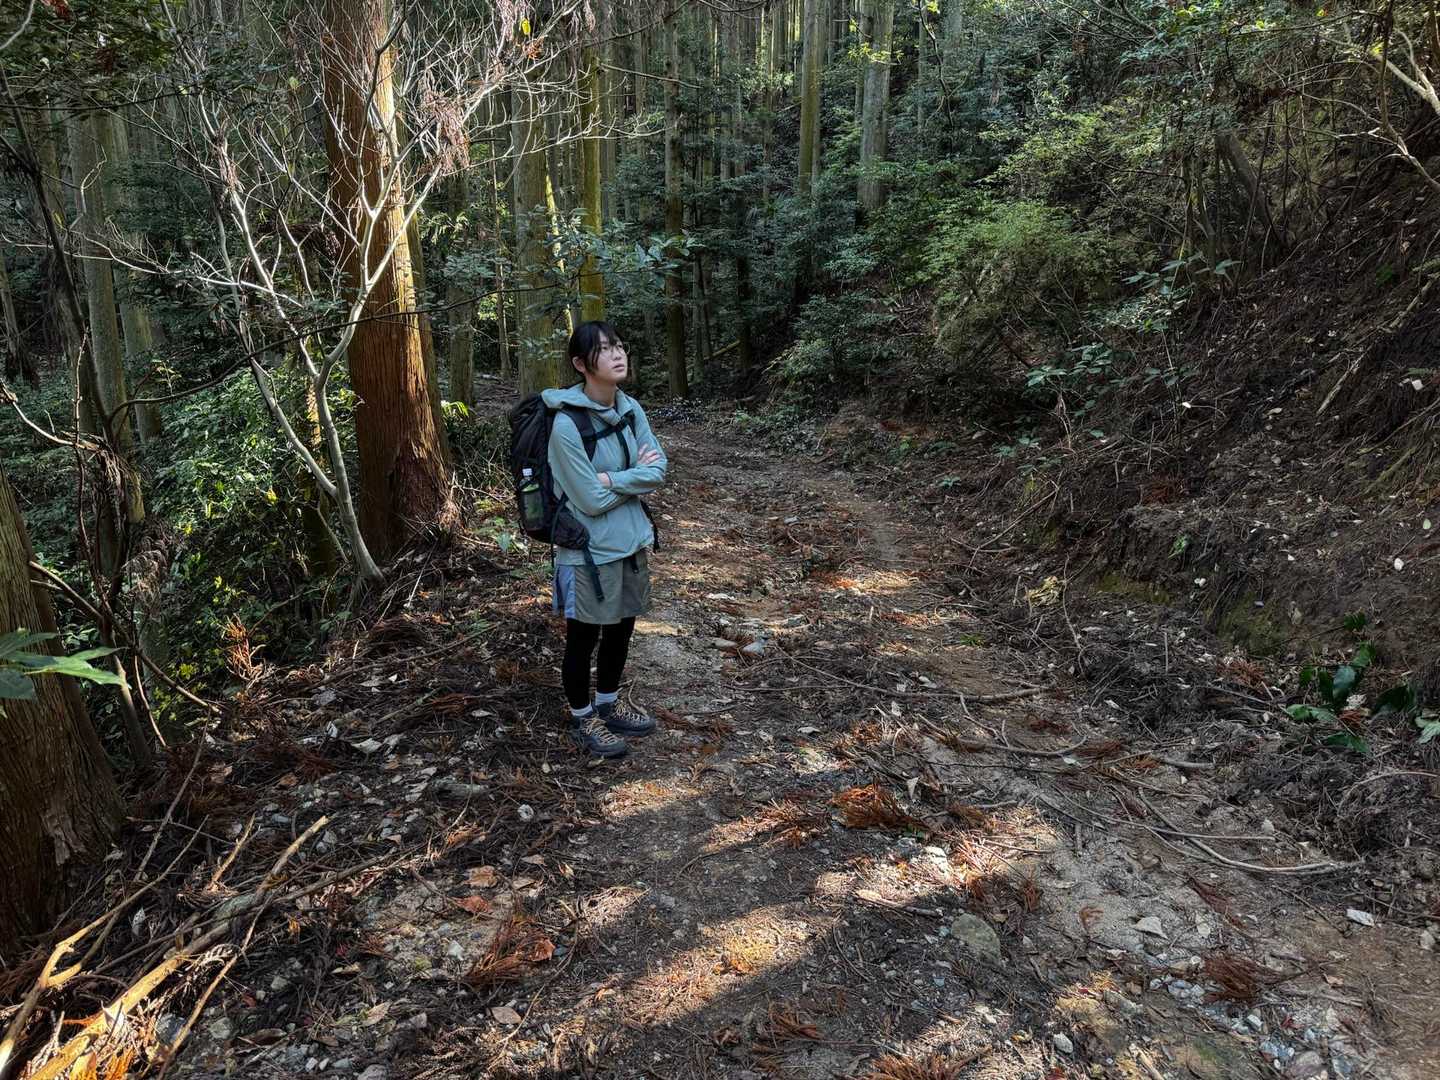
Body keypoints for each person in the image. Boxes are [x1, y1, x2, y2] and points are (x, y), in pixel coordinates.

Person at [541, 321, 668, 758]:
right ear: (581, 364)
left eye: (619, 345)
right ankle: (583, 718)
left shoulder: (630, 409)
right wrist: (632, 480)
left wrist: (612, 478)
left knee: (621, 630)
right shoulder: (566, 425)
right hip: (588, 553)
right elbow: (590, 501)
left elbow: (658, 470)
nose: (617, 354)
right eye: (604, 349)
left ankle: (609, 705)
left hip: (630, 542)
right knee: (583, 638)